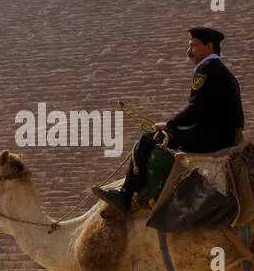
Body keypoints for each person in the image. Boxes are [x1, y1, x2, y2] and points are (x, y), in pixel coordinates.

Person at [93, 27, 244, 215]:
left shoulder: (206, 69)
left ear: (209, 46)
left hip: (209, 138)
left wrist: (169, 124)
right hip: (221, 136)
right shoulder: (225, 73)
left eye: (193, 46)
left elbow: (195, 109)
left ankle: (125, 195)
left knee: (149, 139)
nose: (188, 51)